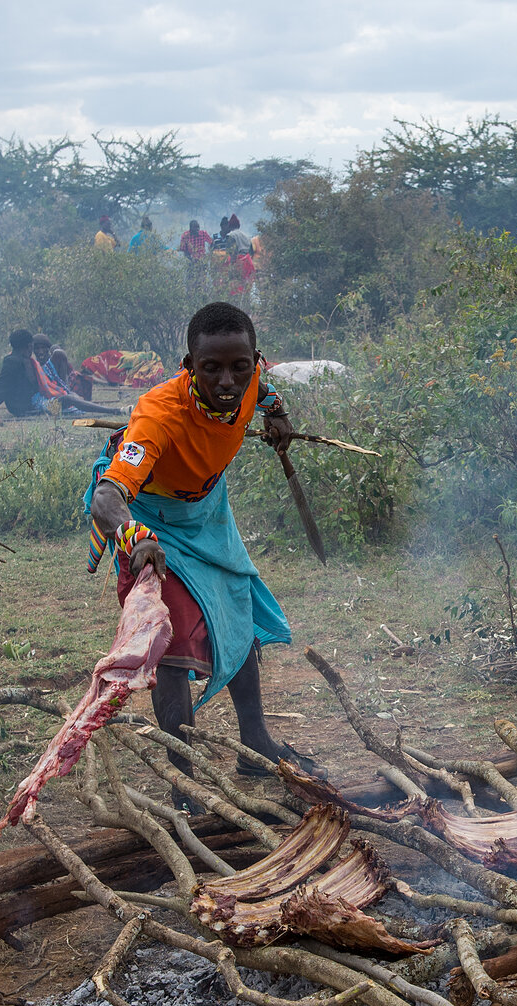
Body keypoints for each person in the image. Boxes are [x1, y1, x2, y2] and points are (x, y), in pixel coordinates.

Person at [85, 301, 312, 796]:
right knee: (172, 643)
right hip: (150, 522)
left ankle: (256, 743)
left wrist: (280, 418)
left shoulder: (253, 382)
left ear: (256, 361)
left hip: (207, 512)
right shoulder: (158, 416)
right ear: (189, 366)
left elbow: (267, 394)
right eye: (212, 369)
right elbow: (107, 498)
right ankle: (183, 781)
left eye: (239, 367)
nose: (228, 382)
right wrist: (137, 539)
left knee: (238, 613)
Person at [29, 333, 117, 415]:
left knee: (71, 398)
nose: (40, 351)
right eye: (37, 348)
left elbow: (63, 384)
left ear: (47, 349)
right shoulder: (33, 366)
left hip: (62, 398)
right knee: (70, 399)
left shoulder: (51, 366)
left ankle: (116, 410)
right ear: (32, 350)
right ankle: (115, 411)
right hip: (49, 406)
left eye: (43, 348)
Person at [0, 329, 44, 418]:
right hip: (23, 407)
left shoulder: (25, 361)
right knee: (64, 400)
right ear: (29, 346)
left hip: (28, 403)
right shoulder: (13, 362)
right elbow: (0, 388)